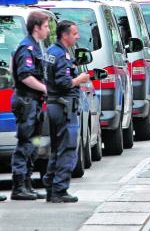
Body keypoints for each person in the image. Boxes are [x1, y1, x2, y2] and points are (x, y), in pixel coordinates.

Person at [44, 20, 91, 203]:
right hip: (64, 107)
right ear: (65, 35)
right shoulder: (61, 55)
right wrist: (80, 79)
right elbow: (64, 83)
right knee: (68, 148)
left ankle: (50, 186)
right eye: (74, 33)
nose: (77, 36)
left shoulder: (50, 52)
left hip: (55, 105)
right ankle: (59, 189)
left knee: (57, 149)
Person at [10, 11, 50, 201]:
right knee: (25, 143)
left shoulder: (36, 47)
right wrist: (45, 88)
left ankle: (27, 184)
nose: (49, 30)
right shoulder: (27, 47)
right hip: (27, 101)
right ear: (37, 27)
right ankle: (19, 186)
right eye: (46, 26)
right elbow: (25, 76)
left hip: (34, 103)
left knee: (34, 143)